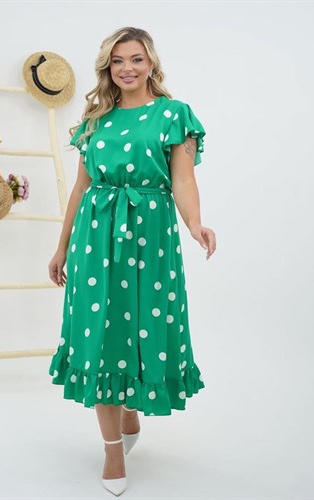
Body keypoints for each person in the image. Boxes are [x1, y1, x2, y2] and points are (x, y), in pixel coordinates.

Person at [48, 26, 217, 496]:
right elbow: (80, 188)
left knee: (143, 327)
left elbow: (182, 180)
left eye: (136, 59)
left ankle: (130, 409)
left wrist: (195, 224)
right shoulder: (95, 120)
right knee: (100, 335)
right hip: (95, 239)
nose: (127, 68)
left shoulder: (173, 115)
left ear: (151, 63)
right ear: (108, 67)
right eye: (118, 60)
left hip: (151, 239)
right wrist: (61, 247)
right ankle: (112, 450)